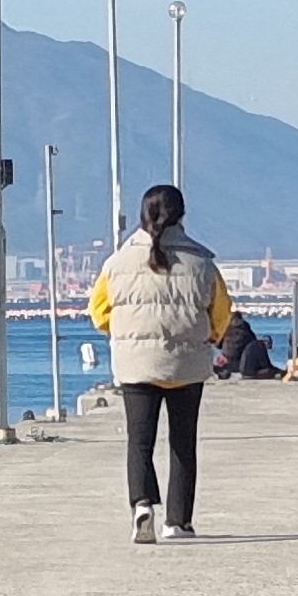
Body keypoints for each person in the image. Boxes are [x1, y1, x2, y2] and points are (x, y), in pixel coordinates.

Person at [91, 181, 232, 543]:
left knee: (139, 441)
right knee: (183, 443)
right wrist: (209, 337)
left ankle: (142, 504)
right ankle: (177, 522)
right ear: (181, 216)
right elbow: (221, 313)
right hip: (187, 365)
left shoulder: (117, 263)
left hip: (135, 365)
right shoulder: (202, 262)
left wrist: (125, 334)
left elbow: (99, 312)